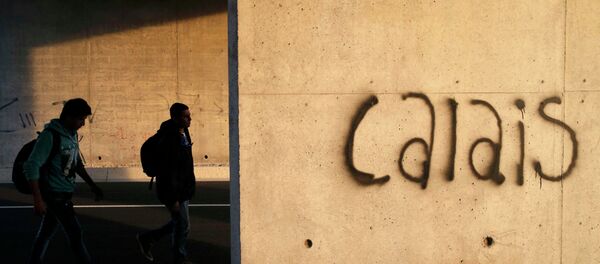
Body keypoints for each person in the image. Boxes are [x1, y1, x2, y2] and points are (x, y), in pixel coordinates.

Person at [25, 98, 104, 264]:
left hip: (64, 194)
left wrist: (92, 186)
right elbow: (32, 165)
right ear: (68, 117)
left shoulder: (72, 135)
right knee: (75, 233)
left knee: (46, 233)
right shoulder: (50, 136)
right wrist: (38, 200)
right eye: (80, 119)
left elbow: (76, 164)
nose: (83, 123)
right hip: (54, 195)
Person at [137, 103, 196, 264]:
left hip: (183, 187)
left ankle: (153, 241)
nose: (190, 118)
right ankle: (177, 256)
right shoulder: (169, 139)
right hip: (173, 190)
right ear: (175, 118)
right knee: (182, 224)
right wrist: (173, 198)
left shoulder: (183, 132)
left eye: (189, 115)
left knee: (181, 224)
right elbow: (168, 171)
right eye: (186, 116)